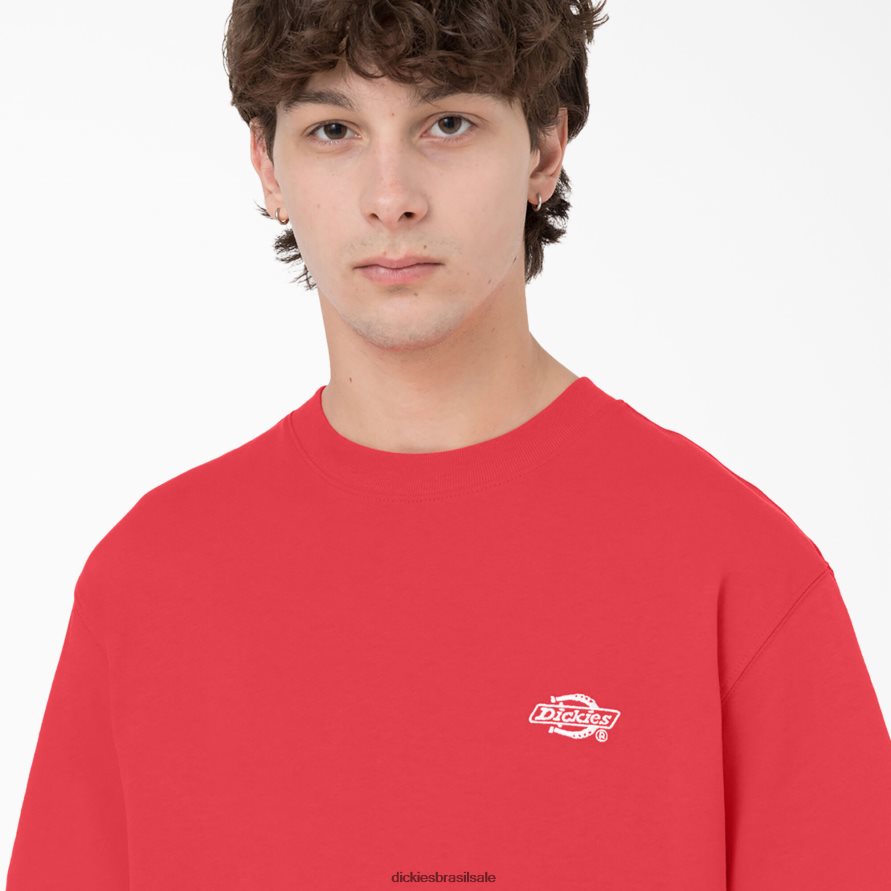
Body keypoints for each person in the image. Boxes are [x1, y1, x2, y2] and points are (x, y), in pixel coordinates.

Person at [7, 1, 891, 888]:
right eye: (333, 130)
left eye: (448, 123)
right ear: (268, 166)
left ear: (543, 148)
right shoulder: (148, 584)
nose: (391, 197)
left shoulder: (733, 570)